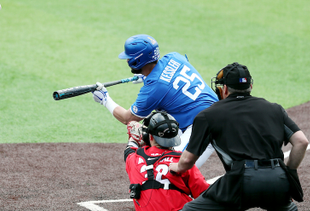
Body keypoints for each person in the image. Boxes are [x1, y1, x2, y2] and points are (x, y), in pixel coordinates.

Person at [169, 62, 310, 211]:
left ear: (224, 89)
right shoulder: (274, 109)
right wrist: (289, 173)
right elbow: (301, 142)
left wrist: (173, 166)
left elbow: (186, 163)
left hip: (241, 182)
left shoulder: (208, 115)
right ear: (250, 86)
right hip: (277, 177)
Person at [92, 111, 234, 211]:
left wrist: (133, 138)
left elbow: (129, 151)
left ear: (150, 137)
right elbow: (210, 197)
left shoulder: (134, 160)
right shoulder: (182, 161)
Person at [92, 34, 218, 167]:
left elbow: (127, 118)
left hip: (206, 125)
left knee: (170, 169)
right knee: (156, 144)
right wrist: (148, 77)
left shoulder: (154, 89)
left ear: (137, 61)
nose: (127, 59)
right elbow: (171, 78)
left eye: (129, 57)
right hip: (214, 112)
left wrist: (105, 99)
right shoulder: (174, 56)